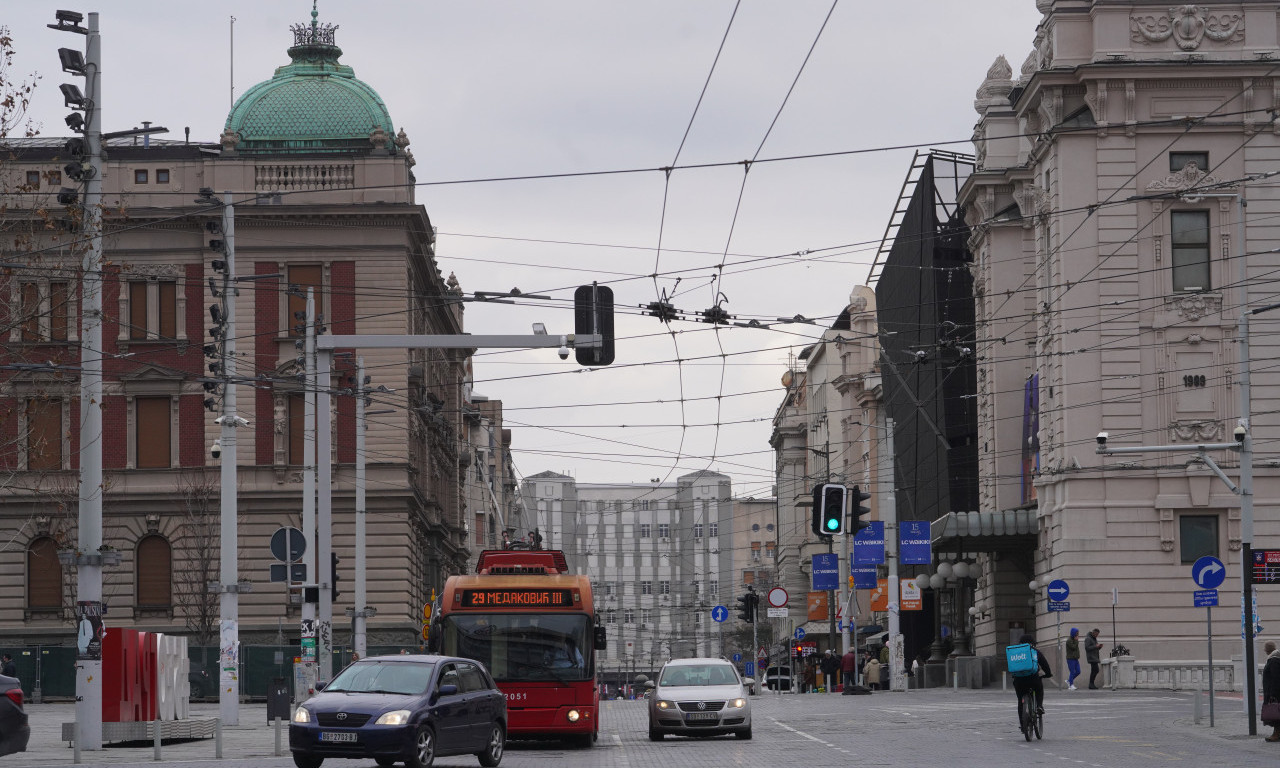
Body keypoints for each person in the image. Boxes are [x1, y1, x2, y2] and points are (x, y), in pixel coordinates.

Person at [1011, 634, 1052, 723]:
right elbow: (1044, 664)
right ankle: (1039, 706)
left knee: (1020, 701)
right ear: (1032, 643)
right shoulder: (1034, 651)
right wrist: (1048, 674)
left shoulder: (1015, 652)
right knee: (1039, 688)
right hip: (1033, 679)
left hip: (1019, 681)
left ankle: (1022, 725)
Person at [1263, 640, 1280, 742]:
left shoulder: (1274, 661)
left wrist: (1273, 694)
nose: (1264, 650)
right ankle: (1277, 733)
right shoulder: (1275, 659)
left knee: (1275, 714)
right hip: (1274, 692)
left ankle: (1276, 734)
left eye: (1265, 648)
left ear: (1268, 649)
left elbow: (1275, 678)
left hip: (1275, 693)